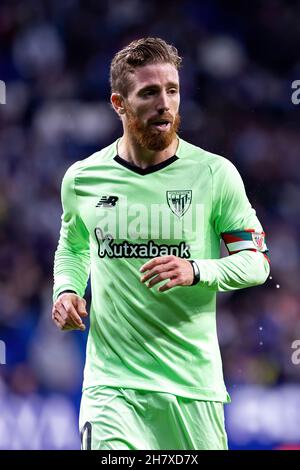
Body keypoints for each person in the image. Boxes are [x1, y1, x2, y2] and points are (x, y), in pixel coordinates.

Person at [52, 37, 270, 450]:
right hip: (112, 387)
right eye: (149, 93)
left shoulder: (214, 174)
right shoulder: (82, 178)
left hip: (192, 389)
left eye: (172, 90)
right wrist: (66, 288)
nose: (164, 104)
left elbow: (256, 262)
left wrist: (197, 270)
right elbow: (74, 245)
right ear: (119, 103)